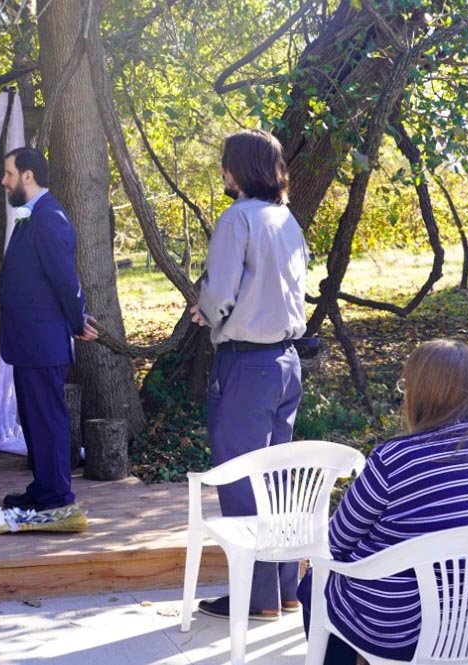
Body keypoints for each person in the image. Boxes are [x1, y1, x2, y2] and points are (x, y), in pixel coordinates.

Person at [298, 339, 468, 663]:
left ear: (418, 392)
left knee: (315, 585)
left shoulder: (395, 458)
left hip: (408, 628)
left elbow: (334, 542)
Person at [192, 129, 309, 621]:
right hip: (287, 363)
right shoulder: (287, 219)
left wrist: (205, 311)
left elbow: (220, 292)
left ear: (236, 169)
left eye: (225, 164)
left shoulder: (236, 218)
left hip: (246, 363)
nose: (222, 172)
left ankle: (257, 597)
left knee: (242, 480)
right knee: (278, 482)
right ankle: (283, 589)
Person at [0, 147, 97, 512]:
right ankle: (43, 487)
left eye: (8, 173)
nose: (4, 181)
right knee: (34, 421)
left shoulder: (49, 217)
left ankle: (56, 495)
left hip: (43, 341)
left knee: (48, 420)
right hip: (28, 342)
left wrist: (77, 321)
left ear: (27, 176)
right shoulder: (33, 216)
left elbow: (64, 279)